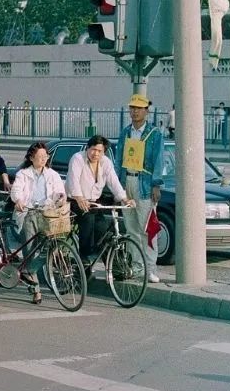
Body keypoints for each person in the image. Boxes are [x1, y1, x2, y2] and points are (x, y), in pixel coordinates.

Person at [115, 94, 164, 284]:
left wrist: (156, 184)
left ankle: (151, 269)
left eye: (138, 108)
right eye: (132, 108)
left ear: (146, 111)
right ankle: (137, 267)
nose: (134, 111)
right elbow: (119, 160)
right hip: (128, 182)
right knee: (131, 229)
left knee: (148, 229)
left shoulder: (155, 134)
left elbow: (158, 160)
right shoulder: (125, 132)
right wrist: (118, 187)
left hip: (145, 184)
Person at [10, 142, 66, 305]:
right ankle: (36, 291)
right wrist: (19, 200)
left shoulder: (52, 175)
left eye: (45, 157)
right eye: (39, 157)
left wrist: (61, 198)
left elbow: (60, 191)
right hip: (29, 213)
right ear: (31, 158)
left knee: (51, 247)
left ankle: (28, 271)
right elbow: (16, 190)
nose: (43, 159)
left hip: (48, 214)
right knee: (30, 251)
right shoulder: (23, 174)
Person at [66, 135, 134, 267]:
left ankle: (111, 263)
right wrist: (79, 198)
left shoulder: (105, 162)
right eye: (93, 149)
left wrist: (124, 199)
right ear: (88, 148)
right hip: (75, 200)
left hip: (94, 202)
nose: (95, 153)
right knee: (87, 220)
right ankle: (84, 256)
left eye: (99, 151)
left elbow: (113, 181)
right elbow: (73, 180)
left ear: (104, 152)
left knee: (103, 227)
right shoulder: (78, 158)